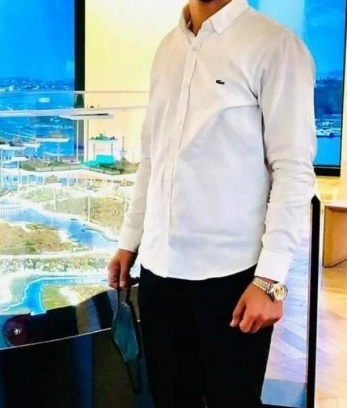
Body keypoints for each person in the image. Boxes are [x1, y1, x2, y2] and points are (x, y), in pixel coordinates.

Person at [106, 0, 317, 407]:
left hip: (232, 277)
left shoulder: (275, 46)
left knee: (232, 400)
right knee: (169, 398)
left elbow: (293, 171)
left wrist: (270, 281)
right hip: (159, 270)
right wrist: (129, 241)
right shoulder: (168, 47)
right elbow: (152, 157)